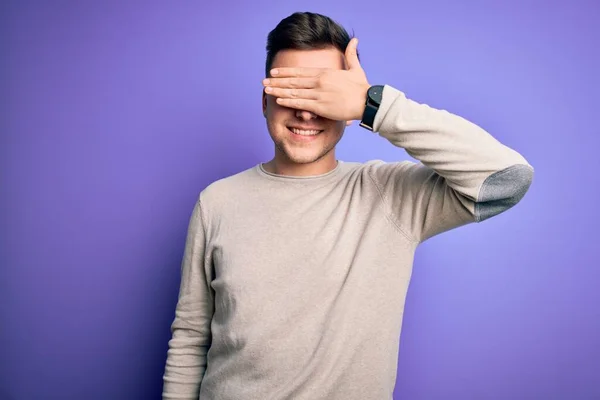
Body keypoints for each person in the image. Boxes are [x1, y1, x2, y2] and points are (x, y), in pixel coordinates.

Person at [162, 11, 534, 400]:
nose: (306, 111)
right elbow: (190, 336)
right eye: (291, 91)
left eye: (320, 93)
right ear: (264, 100)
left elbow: (507, 178)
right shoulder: (217, 202)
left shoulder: (390, 195)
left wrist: (373, 106)